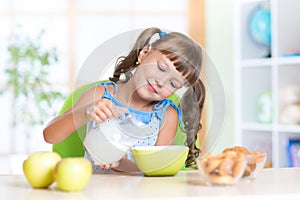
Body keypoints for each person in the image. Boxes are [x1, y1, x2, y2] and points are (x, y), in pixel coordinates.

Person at [43, 27, 206, 173]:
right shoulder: (101, 94)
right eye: (161, 68)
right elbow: (50, 135)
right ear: (144, 53)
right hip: (90, 188)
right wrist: (85, 113)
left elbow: (155, 169)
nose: (161, 82)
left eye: (173, 83)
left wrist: (120, 163)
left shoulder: (166, 116)